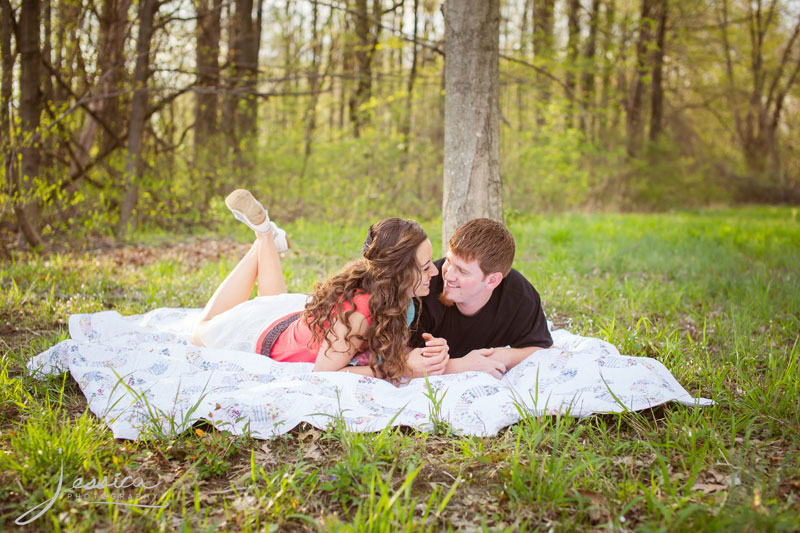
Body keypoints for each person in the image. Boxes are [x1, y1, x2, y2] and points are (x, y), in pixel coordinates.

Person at [193, 189, 449, 384]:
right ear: (399, 273)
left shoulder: (401, 298)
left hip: (294, 322)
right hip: (276, 341)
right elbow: (325, 375)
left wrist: (419, 354)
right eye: (425, 266)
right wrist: (402, 366)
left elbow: (383, 346)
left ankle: (266, 235)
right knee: (202, 332)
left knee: (271, 300)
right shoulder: (360, 314)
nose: (435, 271)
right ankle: (264, 236)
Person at [410, 218, 553, 379]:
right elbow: (399, 361)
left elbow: (544, 350)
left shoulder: (517, 294)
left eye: (462, 271)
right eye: (449, 261)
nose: (448, 275)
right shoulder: (423, 288)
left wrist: (504, 356)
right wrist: (461, 366)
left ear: (492, 281)